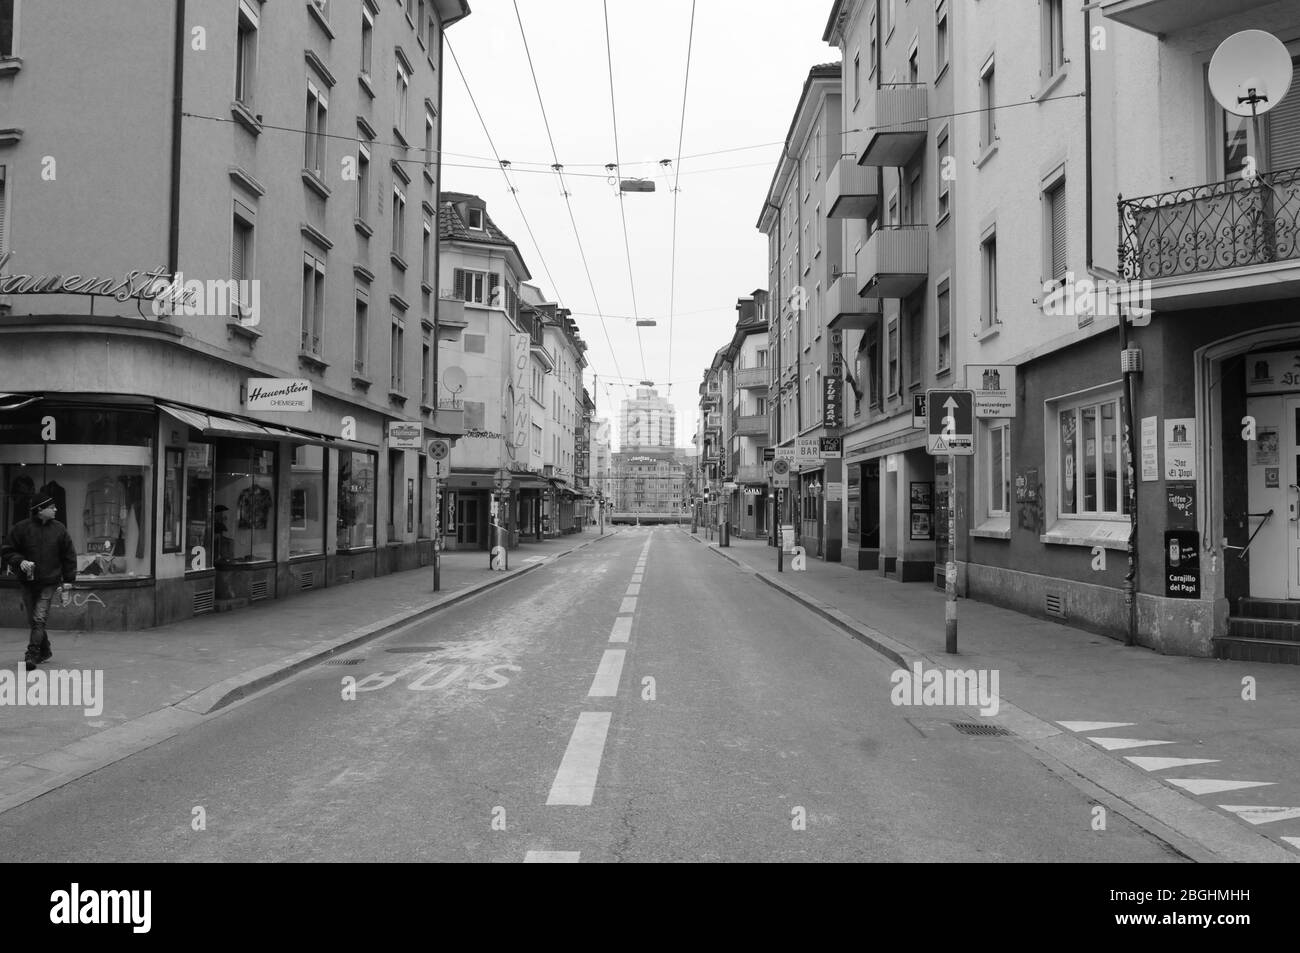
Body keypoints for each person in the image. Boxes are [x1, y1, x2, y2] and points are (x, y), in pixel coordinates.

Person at [1, 494, 77, 670]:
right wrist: (20, 561)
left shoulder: (59, 529)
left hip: (50, 582)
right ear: (40, 510)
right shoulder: (21, 529)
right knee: (33, 620)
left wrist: (67, 583)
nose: (56, 509)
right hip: (28, 582)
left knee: (39, 619)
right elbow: (6, 550)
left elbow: (69, 556)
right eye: (52, 507)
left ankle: (32, 654)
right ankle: (45, 649)